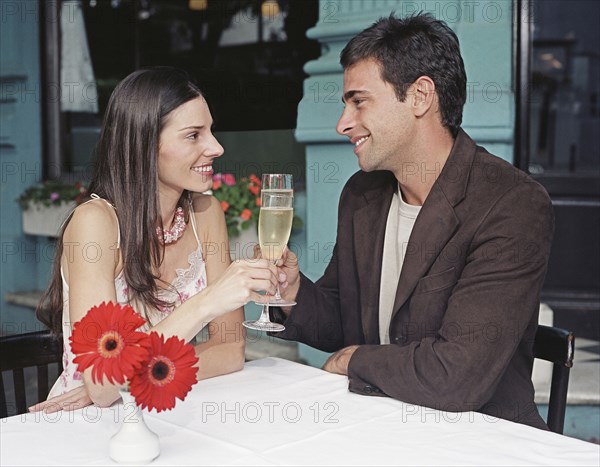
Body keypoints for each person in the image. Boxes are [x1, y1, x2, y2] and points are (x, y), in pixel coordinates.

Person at [271, 13, 554, 430]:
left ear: (421, 96)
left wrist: (355, 359)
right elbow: (341, 319)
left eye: (359, 100)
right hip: (381, 423)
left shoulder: (511, 205)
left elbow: (458, 376)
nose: (343, 123)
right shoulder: (362, 195)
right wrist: (290, 293)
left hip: (482, 439)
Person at [30, 67, 277, 413]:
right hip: (91, 422)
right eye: (193, 135)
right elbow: (102, 387)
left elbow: (229, 352)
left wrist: (130, 378)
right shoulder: (95, 224)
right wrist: (207, 302)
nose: (216, 147)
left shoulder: (205, 213)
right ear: (145, 143)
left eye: (211, 131)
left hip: (169, 407)